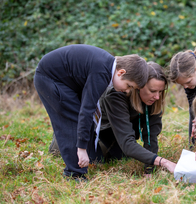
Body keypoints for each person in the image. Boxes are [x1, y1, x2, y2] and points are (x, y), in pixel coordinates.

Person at [34, 44, 149, 180]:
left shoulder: (106, 67)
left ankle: (91, 160)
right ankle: (74, 174)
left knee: (83, 121)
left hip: (66, 82)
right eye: (129, 86)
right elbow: (86, 110)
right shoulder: (102, 73)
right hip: (50, 79)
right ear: (121, 72)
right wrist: (81, 148)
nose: (128, 91)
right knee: (72, 121)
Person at [97, 61, 176, 174]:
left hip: (126, 130)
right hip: (102, 131)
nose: (157, 97)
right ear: (138, 86)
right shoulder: (116, 94)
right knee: (99, 161)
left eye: (160, 91)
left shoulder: (154, 98)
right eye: (153, 91)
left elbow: (151, 136)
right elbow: (127, 144)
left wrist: (149, 169)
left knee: (132, 157)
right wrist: (164, 162)